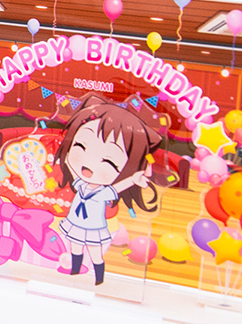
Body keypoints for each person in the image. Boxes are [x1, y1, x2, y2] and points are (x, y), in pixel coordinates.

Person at [54, 96, 162, 285]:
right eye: (80, 146)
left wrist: (133, 179)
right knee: (75, 248)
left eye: (109, 162)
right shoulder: (81, 185)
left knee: (95, 254)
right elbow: (71, 167)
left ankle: (99, 279)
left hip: (93, 228)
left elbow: (117, 187)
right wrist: (63, 154)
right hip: (75, 224)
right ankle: (74, 271)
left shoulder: (103, 192)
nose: (89, 166)